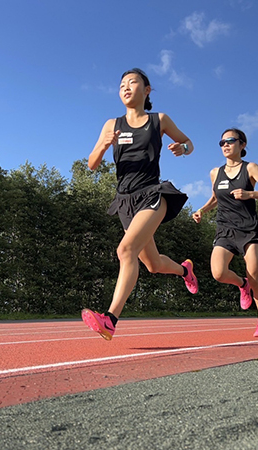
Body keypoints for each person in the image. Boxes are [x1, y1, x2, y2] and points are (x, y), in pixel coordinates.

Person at [81, 68, 198, 340]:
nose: (125, 87)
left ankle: (110, 319)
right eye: (122, 84)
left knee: (125, 250)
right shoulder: (112, 125)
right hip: (125, 200)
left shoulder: (159, 120)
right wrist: (102, 146)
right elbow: (91, 164)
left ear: (146, 90)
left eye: (132, 82)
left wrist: (183, 149)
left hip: (152, 194)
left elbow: (189, 142)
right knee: (153, 264)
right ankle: (184, 270)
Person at [192, 128, 258, 337]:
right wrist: (201, 210)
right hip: (225, 228)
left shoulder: (250, 168)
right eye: (222, 142)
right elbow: (215, 198)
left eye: (230, 141)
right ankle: (242, 284)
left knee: (256, 276)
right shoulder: (215, 172)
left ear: (242, 145)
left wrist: (250, 193)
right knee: (219, 273)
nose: (225, 145)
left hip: (249, 229)